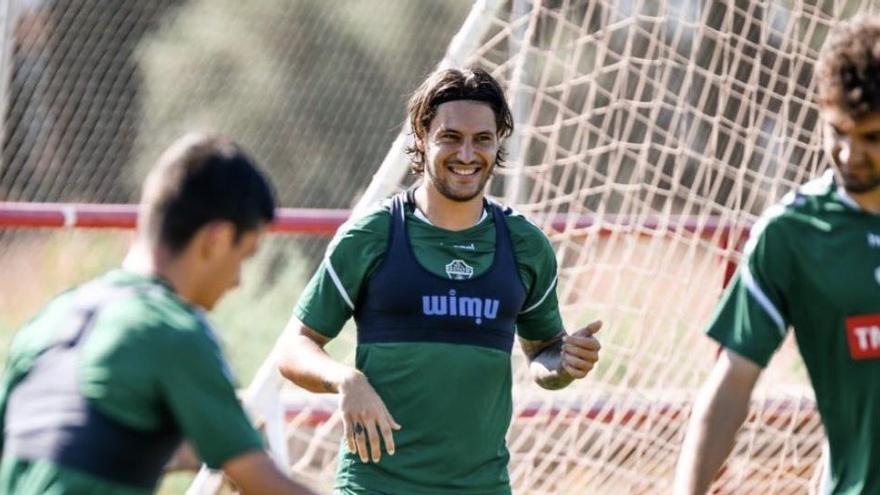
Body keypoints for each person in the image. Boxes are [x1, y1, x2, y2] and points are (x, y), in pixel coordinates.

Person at [278, 67, 602, 495]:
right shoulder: (372, 236)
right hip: (376, 487)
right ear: (421, 135)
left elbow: (543, 352)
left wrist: (563, 363)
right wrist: (346, 380)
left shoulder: (525, 246)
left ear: (497, 143)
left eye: (482, 139)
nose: (467, 153)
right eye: (451, 137)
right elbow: (294, 347)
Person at [0, 133, 318, 494]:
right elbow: (264, 485)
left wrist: (193, 445)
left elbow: (79, 440)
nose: (237, 282)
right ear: (215, 240)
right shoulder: (174, 331)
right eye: (243, 256)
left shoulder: (51, 318)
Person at [674, 16, 880, 495]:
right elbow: (731, 383)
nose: (849, 154)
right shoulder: (793, 235)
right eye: (837, 132)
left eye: (871, 137)